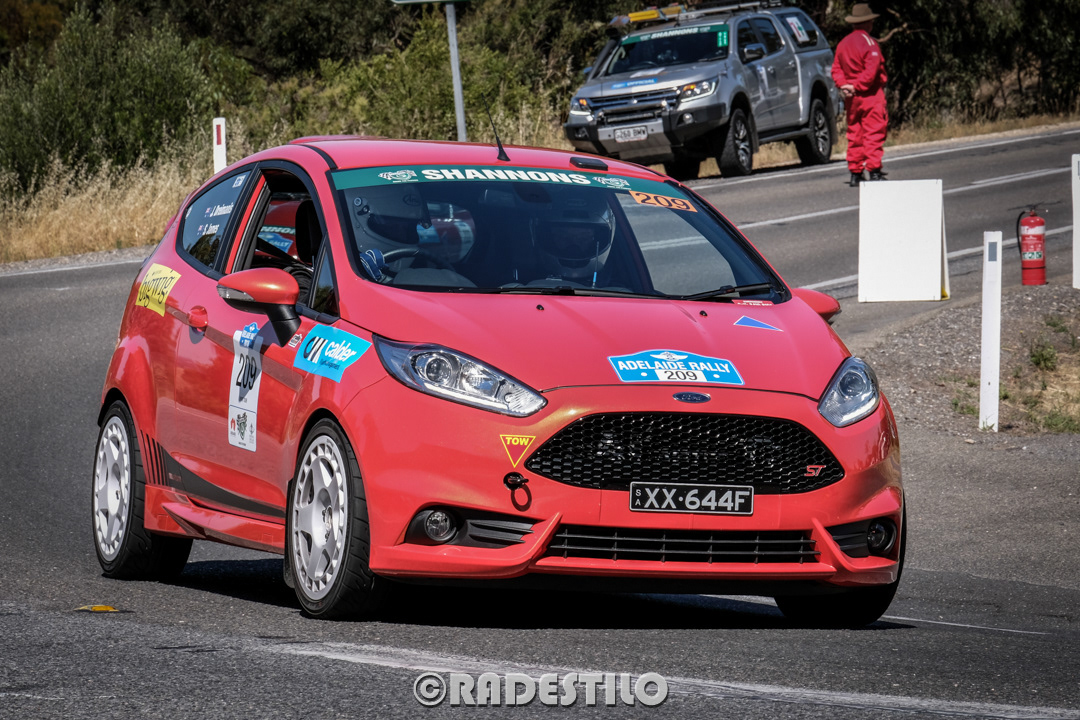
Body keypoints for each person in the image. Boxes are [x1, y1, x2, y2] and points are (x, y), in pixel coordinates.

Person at [832, 3, 888, 186]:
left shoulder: (843, 44)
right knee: (873, 132)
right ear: (868, 23)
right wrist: (856, 86)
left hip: (852, 98)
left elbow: (836, 69)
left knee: (855, 133)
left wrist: (844, 85)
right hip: (870, 96)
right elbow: (871, 71)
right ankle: (874, 171)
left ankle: (855, 173)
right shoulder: (870, 43)